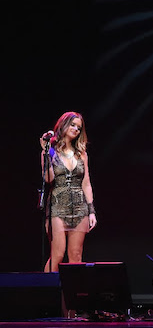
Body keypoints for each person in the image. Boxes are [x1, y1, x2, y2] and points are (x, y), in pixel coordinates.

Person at [40, 111, 97, 272]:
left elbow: (86, 183)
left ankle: (72, 297)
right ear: (63, 125)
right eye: (72, 125)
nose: (76, 129)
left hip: (80, 208)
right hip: (58, 207)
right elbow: (49, 179)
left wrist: (91, 211)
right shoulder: (50, 151)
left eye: (79, 128)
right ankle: (49, 294)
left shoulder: (82, 154)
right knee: (57, 254)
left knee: (76, 256)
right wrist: (46, 152)